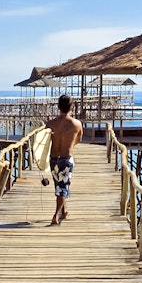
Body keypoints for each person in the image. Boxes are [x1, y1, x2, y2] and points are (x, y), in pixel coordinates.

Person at [45, 94, 83, 225]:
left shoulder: (50, 124)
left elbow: (45, 143)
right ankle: (55, 215)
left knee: (59, 186)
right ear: (72, 107)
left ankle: (63, 211)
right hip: (67, 159)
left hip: (53, 159)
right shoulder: (76, 124)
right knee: (63, 187)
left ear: (58, 107)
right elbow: (78, 139)